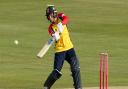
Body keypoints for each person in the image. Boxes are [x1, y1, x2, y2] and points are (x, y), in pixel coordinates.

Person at [43, 5, 82, 89]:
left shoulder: (61, 16)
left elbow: (66, 19)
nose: (48, 19)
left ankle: (78, 87)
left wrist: (61, 24)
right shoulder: (50, 28)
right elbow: (52, 34)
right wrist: (55, 35)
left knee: (76, 67)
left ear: (53, 14)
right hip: (60, 51)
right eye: (47, 17)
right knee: (56, 72)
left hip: (69, 48)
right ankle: (46, 87)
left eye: (49, 16)